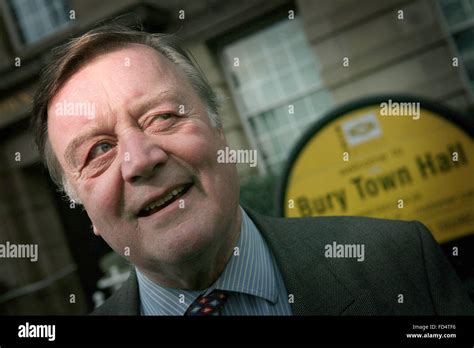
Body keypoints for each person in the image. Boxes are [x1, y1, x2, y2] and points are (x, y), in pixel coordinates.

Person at [31, 24, 473, 316]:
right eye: (99, 150)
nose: (142, 159)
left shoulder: (397, 261)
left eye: (163, 116)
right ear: (81, 206)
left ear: (219, 131)